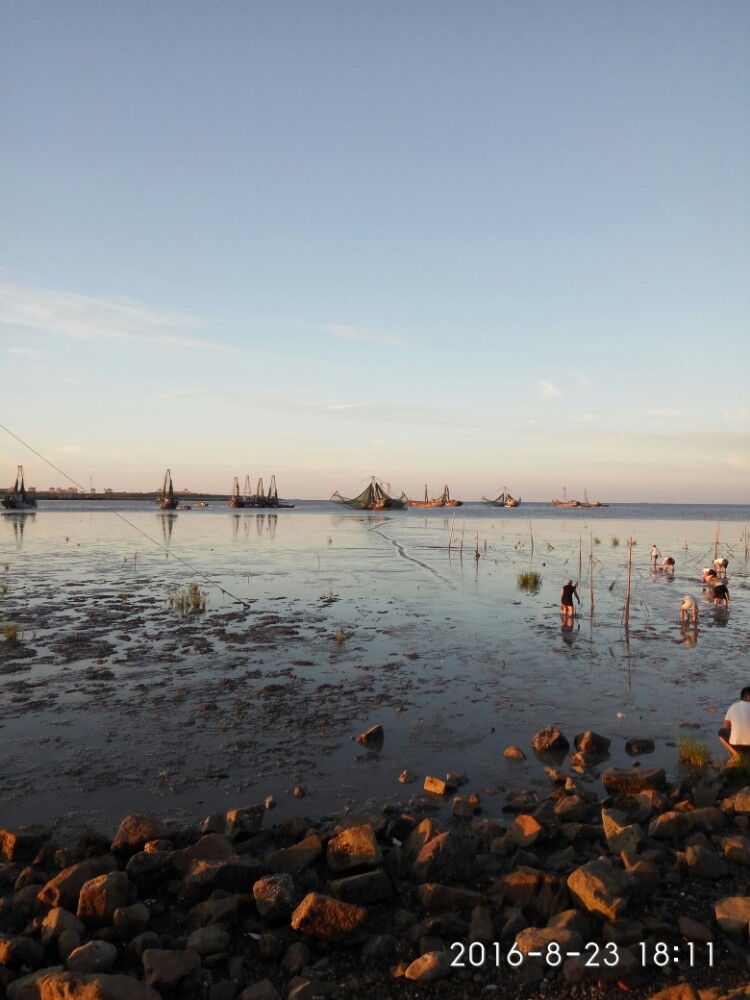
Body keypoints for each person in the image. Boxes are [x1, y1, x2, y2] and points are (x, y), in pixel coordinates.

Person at [719, 688, 750, 760]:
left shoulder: (733, 706)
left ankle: (736, 754)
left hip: (736, 745)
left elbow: (726, 726)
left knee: (721, 732)